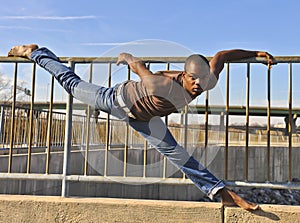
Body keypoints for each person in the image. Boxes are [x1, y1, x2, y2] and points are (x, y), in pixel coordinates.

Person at [8, 44, 275, 210]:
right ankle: (35, 52)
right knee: (71, 83)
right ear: (184, 74)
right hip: (115, 100)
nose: (198, 86)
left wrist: (257, 53)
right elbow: (139, 67)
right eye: (194, 80)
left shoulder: (207, 81)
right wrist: (127, 57)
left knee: (179, 155)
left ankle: (221, 193)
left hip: (143, 119)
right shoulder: (160, 84)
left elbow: (222, 55)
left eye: (202, 81)